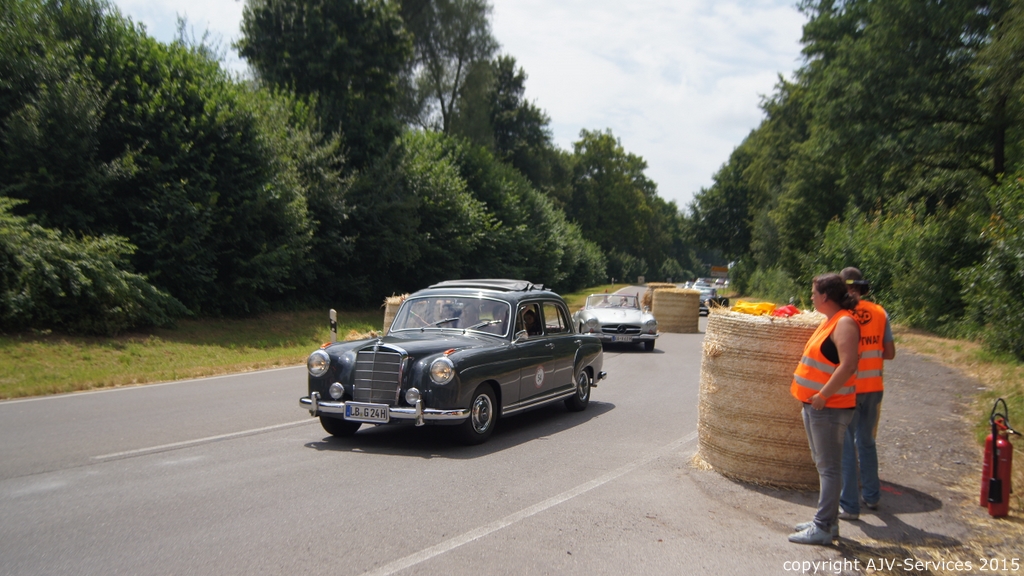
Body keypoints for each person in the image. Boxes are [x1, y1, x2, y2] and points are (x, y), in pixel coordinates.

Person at [789, 273, 860, 545]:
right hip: (816, 406)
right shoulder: (830, 320)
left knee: (829, 468)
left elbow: (848, 365)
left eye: (814, 292)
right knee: (824, 465)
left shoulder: (844, 323)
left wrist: (823, 395)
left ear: (826, 296)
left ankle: (823, 527)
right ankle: (828, 521)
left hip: (828, 407)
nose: (811, 296)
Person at [839, 267, 896, 520]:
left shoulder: (842, 314)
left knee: (846, 446)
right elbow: (890, 353)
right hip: (874, 387)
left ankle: (849, 505)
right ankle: (872, 496)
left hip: (849, 388)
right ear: (862, 288)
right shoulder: (880, 312)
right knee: (866, 441)